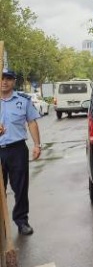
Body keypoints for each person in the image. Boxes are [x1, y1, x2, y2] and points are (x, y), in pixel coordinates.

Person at [0, 69, 42, 236]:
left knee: (20, 187)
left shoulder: (23, 101)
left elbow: (32, 123)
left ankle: (21, 221)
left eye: (8, 79)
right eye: (2, 78)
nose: (4, 82)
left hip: (17, 149)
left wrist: (37, 145)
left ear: (14, 81)